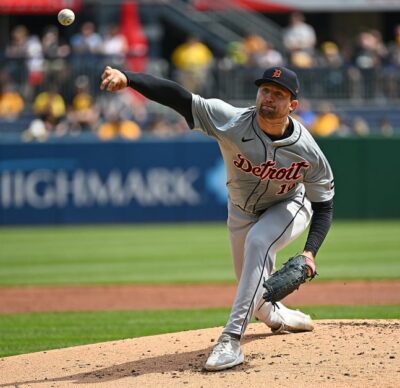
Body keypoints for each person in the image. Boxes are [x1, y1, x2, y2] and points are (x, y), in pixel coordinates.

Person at [99, 65, 334, 371]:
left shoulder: (307, 151)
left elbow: (324, 206)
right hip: (240, 211)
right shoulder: (231, 120)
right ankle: (279, 317)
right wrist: (130, 79)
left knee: (259, 242)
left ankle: (230, 340)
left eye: (279, 94)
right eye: (265, 90)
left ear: (292, 105)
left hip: (289, 204)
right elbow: (179, 97)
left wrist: (310, 252)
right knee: (253, 289)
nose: (269, 98)